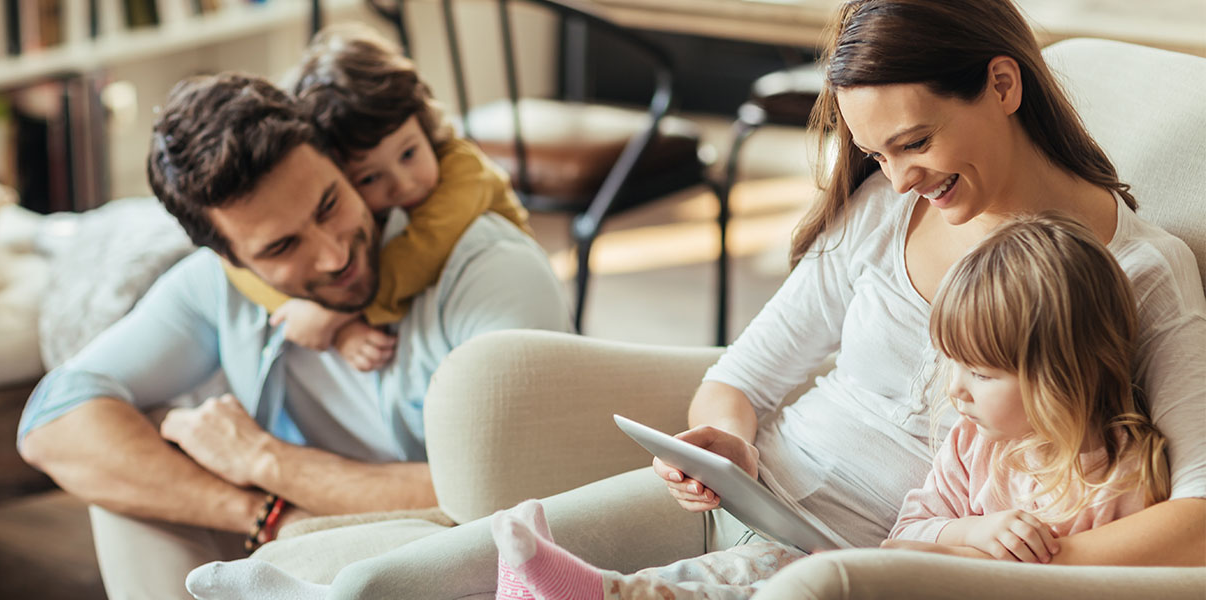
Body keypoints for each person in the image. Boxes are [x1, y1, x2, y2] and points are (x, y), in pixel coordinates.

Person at [185, 0, 1205, 597]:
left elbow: (1196, 511)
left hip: (859, 562)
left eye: (913, 145)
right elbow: (742, 376)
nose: (896, 179)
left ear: (1000, 84)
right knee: (391, 587)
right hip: (758, 497)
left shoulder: (1138, 270)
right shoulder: (884, 216)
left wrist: (1014, 561)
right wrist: (721, 441)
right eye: (872, 154)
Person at [16, 72, 571, 599]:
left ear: (338, 161)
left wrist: (267, 461)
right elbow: (51, 421)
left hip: (473, 555)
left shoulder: (488, 270)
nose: (334, 254)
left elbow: (523, 492)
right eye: (282, 247)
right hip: (302, 530)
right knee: (130, 484)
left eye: (329, 204)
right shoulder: (217, 286)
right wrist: (261, 512)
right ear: (230, 258)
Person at [484, 214, 1171, 599]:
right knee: (764, 572)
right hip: (876, 566)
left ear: (1062, 374)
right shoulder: (974, 445)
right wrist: (968, 536)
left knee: (788, 578)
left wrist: (1013, 562)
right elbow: (907, 536)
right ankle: (607, 594)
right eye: (954, 367)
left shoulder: (1130, 479)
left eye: (982, 373)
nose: (956, 391)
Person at [222, 25, 535, 372]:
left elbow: (422, 251)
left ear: (424, 123)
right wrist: (310, 315)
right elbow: (240, 268)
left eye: (409, 153)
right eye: (369, 177)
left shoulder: (462, 169)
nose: (402, 185)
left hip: (512, 300)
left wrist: (332, 316)